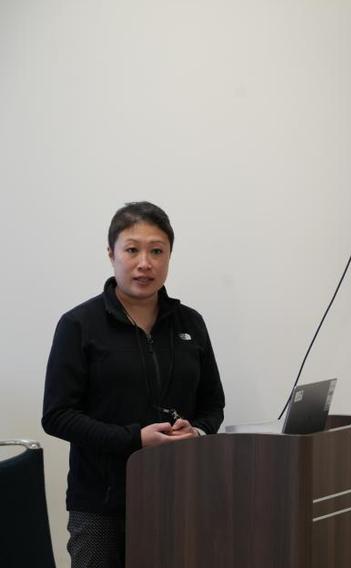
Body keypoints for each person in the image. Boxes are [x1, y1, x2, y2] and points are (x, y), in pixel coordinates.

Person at [42, 202, 225, 568]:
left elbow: (213, 405)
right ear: (111, 254)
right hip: (101, 503)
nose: (145, 263)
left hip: (177, 496)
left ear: (170, 255)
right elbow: (57, 415)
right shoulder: (80, 324)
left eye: (157, 251)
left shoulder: (190, 323)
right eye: (132, 250)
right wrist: (134, 439)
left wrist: (198, 431)